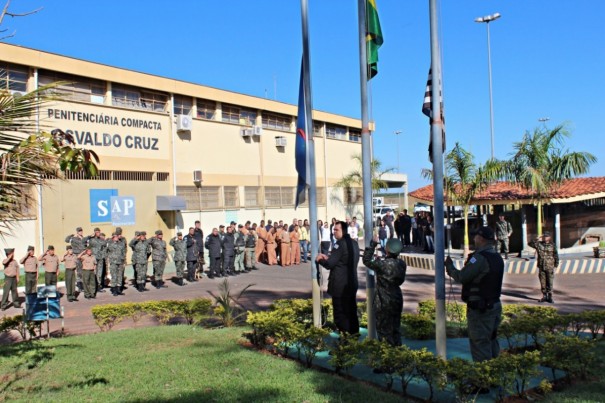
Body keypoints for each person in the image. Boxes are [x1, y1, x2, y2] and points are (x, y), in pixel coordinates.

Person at [445, 226, 504, 362]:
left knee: (480, 344)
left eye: (476, 236)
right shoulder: (497, 257)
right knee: (492, 341)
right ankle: (495, 375)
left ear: (481, 238)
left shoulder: (478, 258)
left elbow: (462, 277)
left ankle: (484, 380)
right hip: (494, 305)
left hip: (480, 309)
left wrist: (450, 267)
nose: (474, 239)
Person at [316, 220, 360, 335]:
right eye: (333, 229)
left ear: (343, 230)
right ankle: (354, 335)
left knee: (341, 313)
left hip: (340, 285)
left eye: (336, 230)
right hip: (352, 283)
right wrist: (330, 258)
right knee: (351, 311)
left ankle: (344, 342)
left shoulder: (339, 244)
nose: (334, 232)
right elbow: (342, 260)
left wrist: (320, 259)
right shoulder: (354, 243)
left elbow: (330, 264)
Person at [363, 237, 407, 346]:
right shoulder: (402, 264)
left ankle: (387, 355)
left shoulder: (382, 264)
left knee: (383, 329)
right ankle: (398, 352)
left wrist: (372, 245)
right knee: (395, 327)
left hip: (383, 298)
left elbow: (366, 260)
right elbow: (390, 266)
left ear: (387, 250)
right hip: (397, 297)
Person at [529, 232, 559, 303]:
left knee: (550, 281)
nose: (545, 238)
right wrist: (537, 238)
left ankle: (550, 296)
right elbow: (530, 243)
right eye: (544, 237)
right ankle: (544, 296)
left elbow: (555, 255)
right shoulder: (539, 244)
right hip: (541, 266)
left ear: (549, 237)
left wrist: (556, 264)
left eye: (546, 237)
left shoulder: (553, 245)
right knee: (543, 282)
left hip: (550, 266)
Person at [84, 227, 106, 292]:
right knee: (93, 272)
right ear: (94, 233)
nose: (98, 233)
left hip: (100, 258)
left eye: (99, 232)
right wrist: (89, 236)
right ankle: (93, 286)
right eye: (97, 232)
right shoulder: (91, 240)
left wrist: (103, 255)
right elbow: (83, 241)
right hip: (93, 258)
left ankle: (99, 286)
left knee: (99, 273)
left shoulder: (102, 240)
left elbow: (105, 246)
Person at [65, 227, 86, 292]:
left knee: (84, 270)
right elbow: (66, 240)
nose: (80, 232)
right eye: (79, 231)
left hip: (83, 256)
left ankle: (83, 284)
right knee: (79, 271)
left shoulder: (83, 238)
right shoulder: (73, 239)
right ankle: (80, 285)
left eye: (81, 231)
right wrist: (71, 235)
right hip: (77, 255)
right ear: (77, 232)